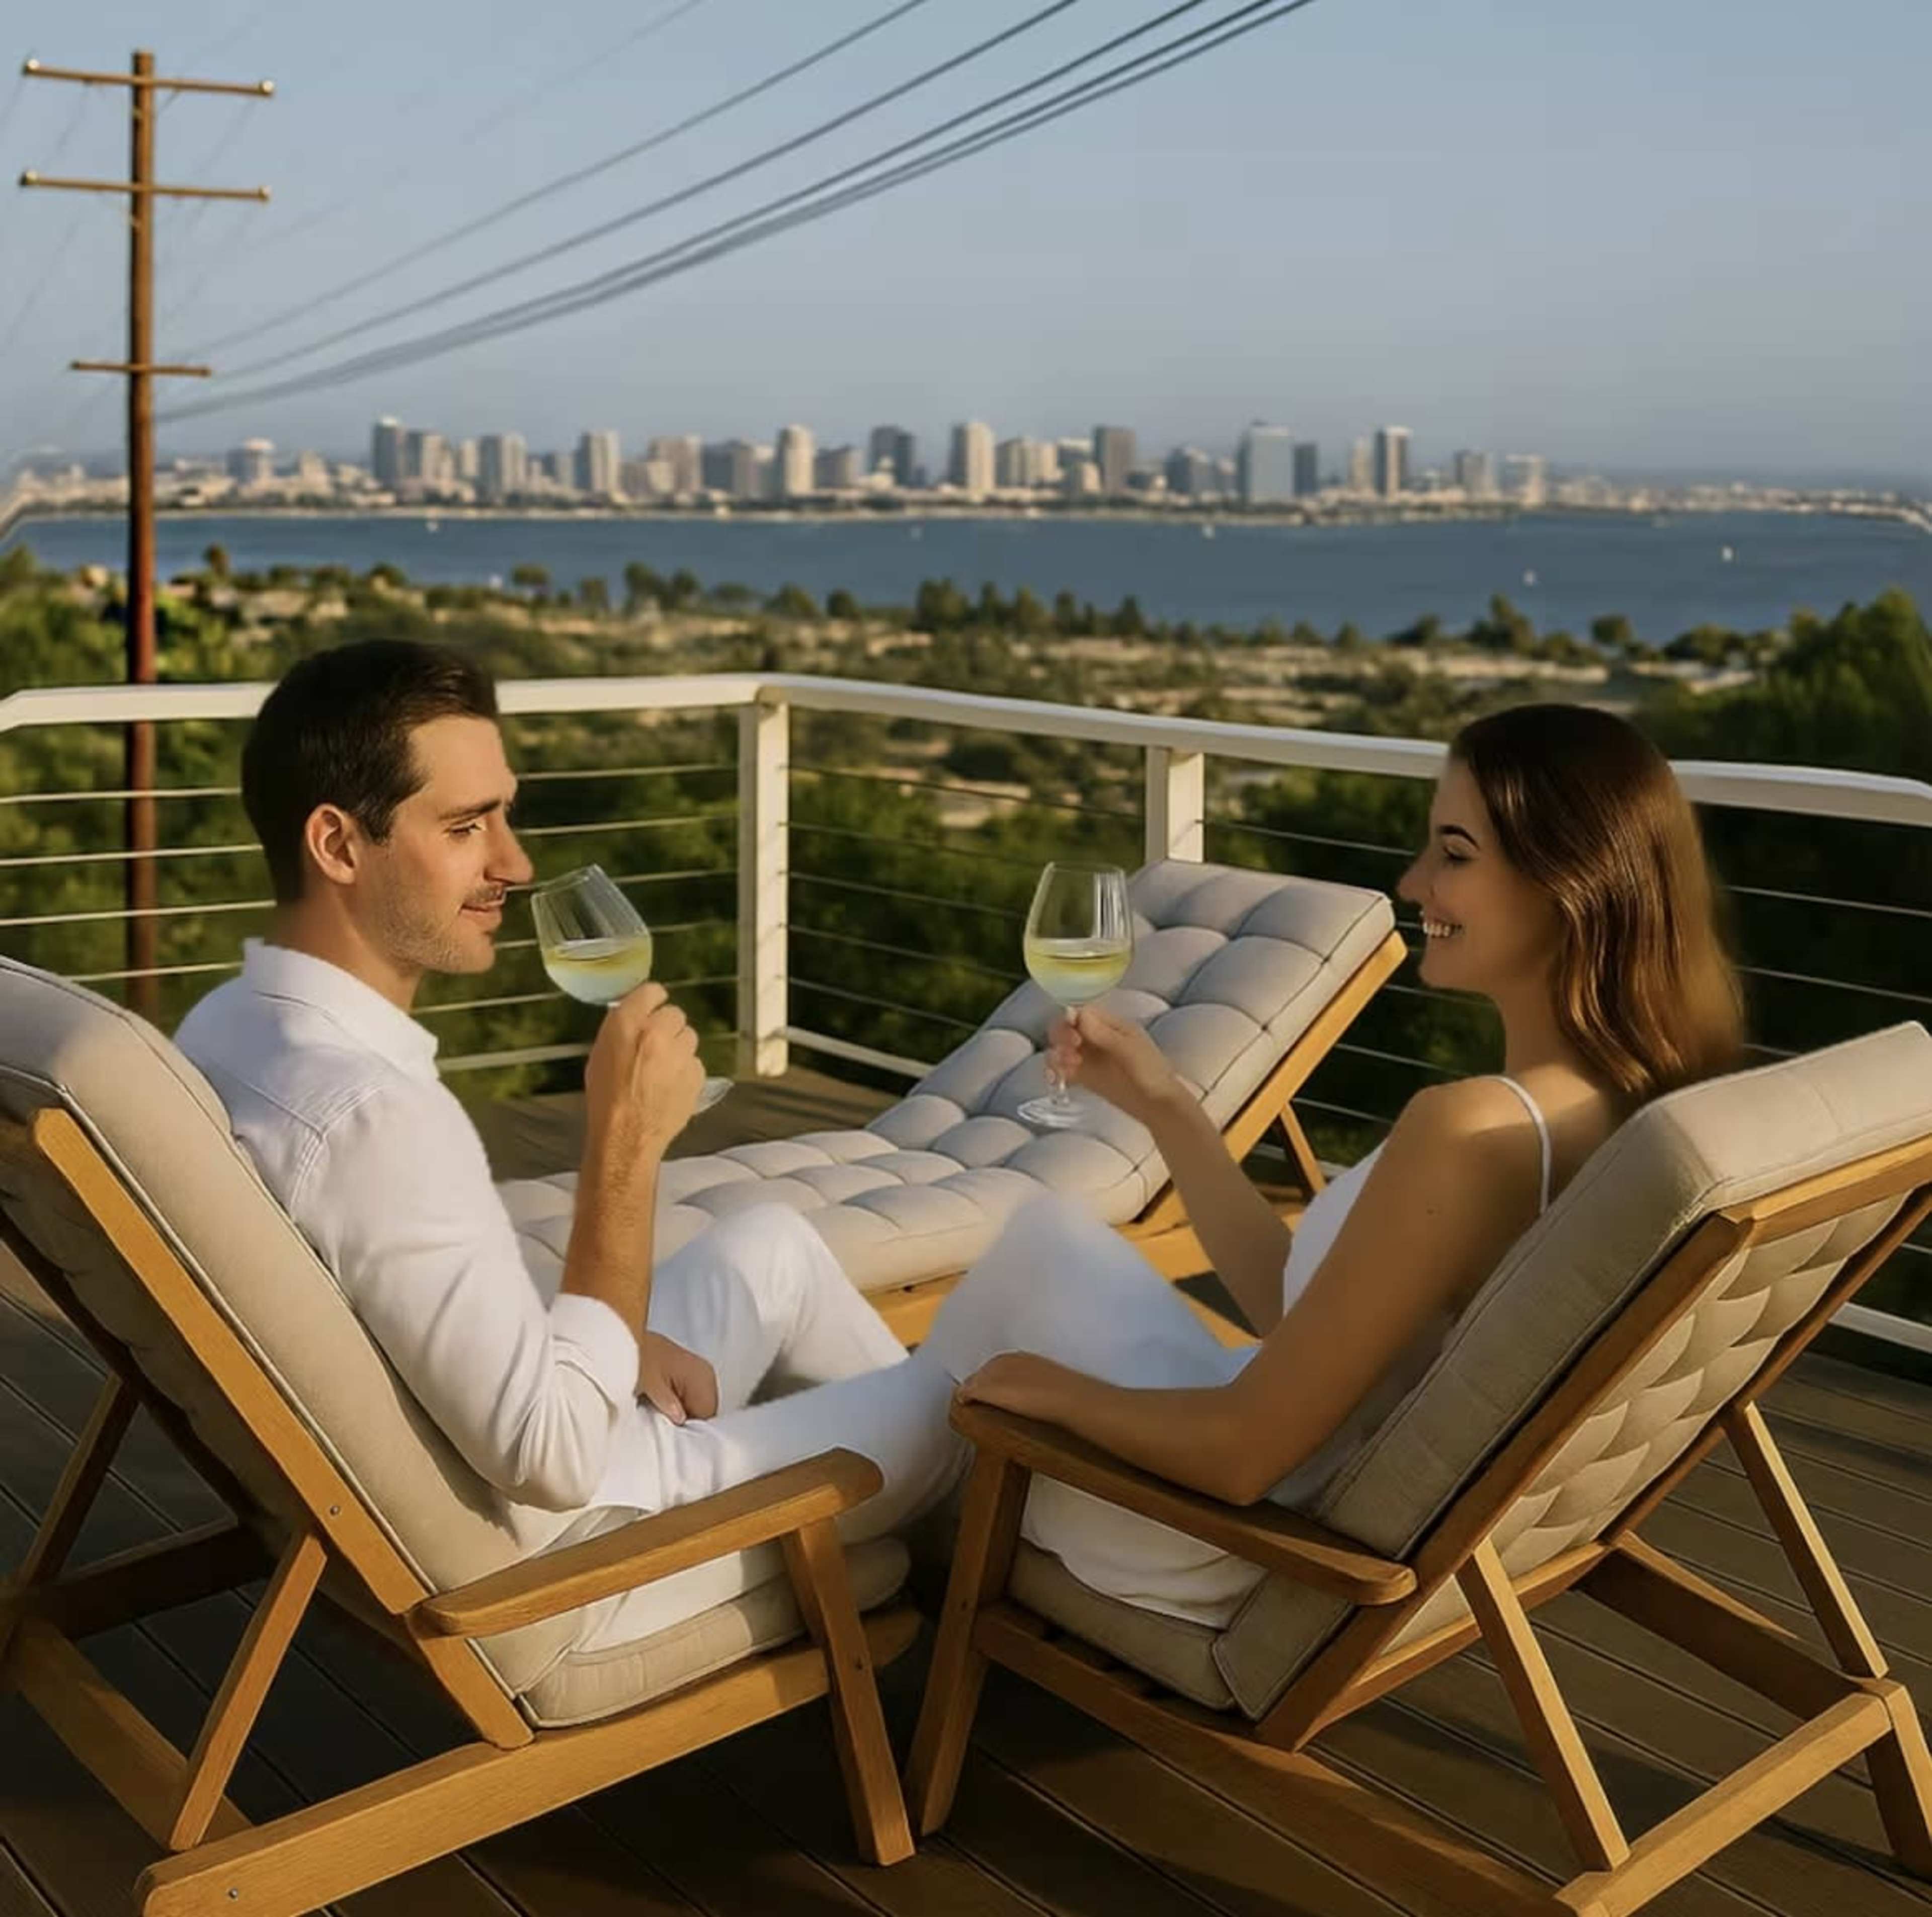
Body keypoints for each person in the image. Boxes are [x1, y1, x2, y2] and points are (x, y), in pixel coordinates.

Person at [176, 638, 963, 1652]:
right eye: (466, 826)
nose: (516, 863)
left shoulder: (235, 1028)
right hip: (587, 1544)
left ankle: (954, 1538)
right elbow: (550, 1455)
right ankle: (1031, 1591)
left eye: (505, 814)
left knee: (772, 1241)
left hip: (530, 1431)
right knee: (963, 1394)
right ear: (338, 845)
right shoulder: (372, 1117)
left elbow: (405, 1290)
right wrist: (623, 1146)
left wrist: (613, 1333)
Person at [915, 702, 1745, 1626]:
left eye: (1456, 853)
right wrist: (1164, 1103)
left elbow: (1238, 1454)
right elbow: (1294, 1309)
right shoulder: (1616, 1110)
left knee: (926, 1387)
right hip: (1297, 1480)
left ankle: (775, 1516)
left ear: (1567, 886)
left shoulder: (1470, 1136)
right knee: (1040, 1240)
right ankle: (778, 1448)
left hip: (1221, 1536)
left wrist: (1051, 1390)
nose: (1415, 879)